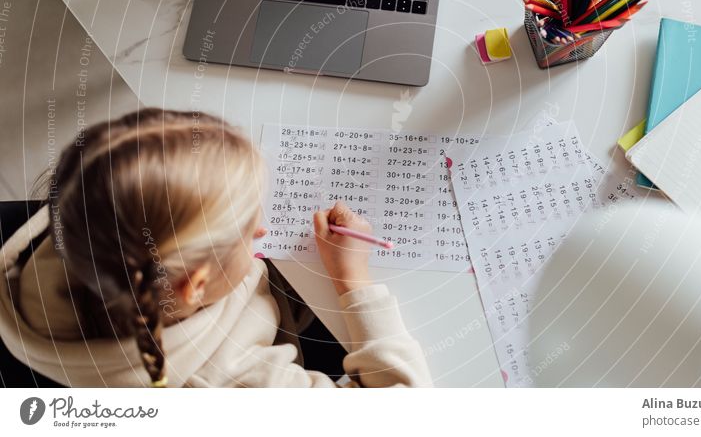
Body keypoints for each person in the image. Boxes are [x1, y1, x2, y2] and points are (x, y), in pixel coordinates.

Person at [0, 108, 432, 387]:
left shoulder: (87, 223)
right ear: (194, 286)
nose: (263, 228)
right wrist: (351, 279)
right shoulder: (231, 383)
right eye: (248, 228)